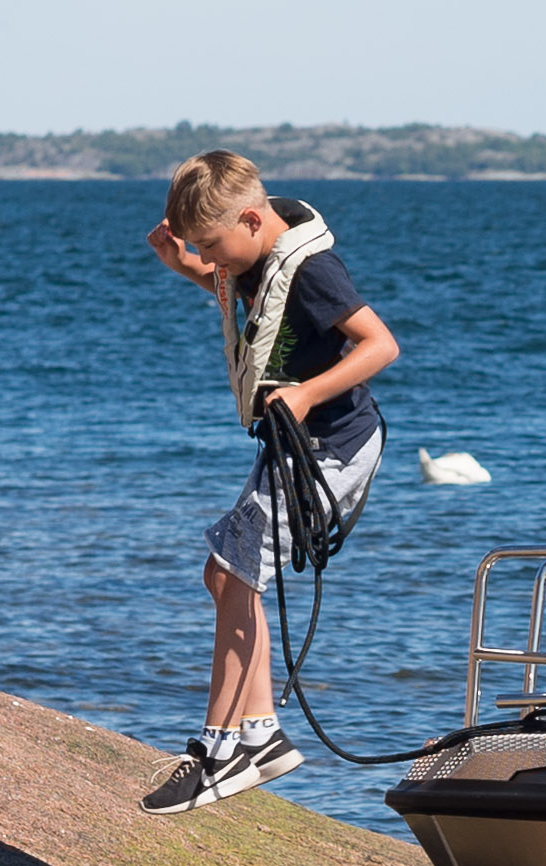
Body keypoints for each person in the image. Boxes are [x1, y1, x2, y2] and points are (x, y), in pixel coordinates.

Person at [140, 148, 398, 811]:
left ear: (252, 219)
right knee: (222, 574)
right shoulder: (253, 255)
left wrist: (309, 393)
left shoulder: (313, 270)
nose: (212, 260)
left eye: (213, 246)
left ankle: (218, 748)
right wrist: (185, 266)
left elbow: (380, 345)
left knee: (236, 571)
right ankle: (261, 733)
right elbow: (247, 298)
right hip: (290, 442)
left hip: (331, 445)